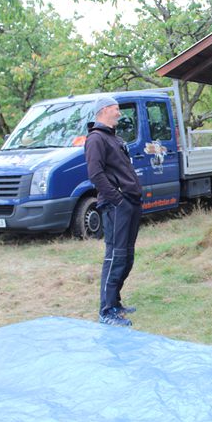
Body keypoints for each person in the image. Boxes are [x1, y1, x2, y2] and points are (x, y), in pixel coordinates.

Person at [85, 96, 143, 327]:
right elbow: (95, 175)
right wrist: (118, 200)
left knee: (127, 256)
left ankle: (115, 303)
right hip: (116, 206)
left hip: (131, 203)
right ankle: (106, 311)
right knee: (115, 256)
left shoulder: (114, 138)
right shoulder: (96, 139)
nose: (119, 113)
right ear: (104, 110)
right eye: (116, 108)